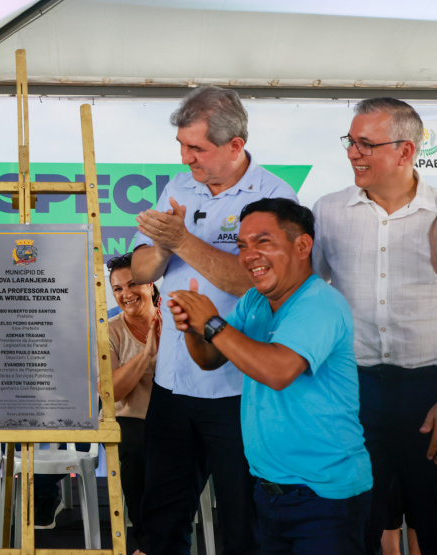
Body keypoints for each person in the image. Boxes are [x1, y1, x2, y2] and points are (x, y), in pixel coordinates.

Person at [130, 85, 297, 554]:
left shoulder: (274, 197)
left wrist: (181, 240)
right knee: (161, 519)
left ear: (235, 145)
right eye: (182, 146)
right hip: (173, 380)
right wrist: (163, 245)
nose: (186, 158)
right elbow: (140, 271)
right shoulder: (178, 187)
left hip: (239, 388)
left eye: (197, 149)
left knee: (244, 521)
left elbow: (251, 282)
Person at [168, 198, 372, 554]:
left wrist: (211, 323)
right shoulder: (254, 302)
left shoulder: (320, 303)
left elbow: (278, 371)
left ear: (302, 246)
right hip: (269, 491)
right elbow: (210, 358)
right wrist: (192, 328)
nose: (249, 255)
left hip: (324, 497)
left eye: (263, 242)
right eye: (242, 245)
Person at [312, 97, 437, 554]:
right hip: (354, 389)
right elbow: (307, 296)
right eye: (350, 141)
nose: (353, 153)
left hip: (429, 389)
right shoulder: (328, 211)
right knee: (358, 523)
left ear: (406, 151)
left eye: (366, 143)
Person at [104, 252, 160, 553]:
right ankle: (148, 543)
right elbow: (113, 392)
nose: (126, 294)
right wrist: (147, 354)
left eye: (133, 284)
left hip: (175, 417)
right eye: (118, 288)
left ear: (150, 284)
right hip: (131, 419)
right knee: (136, 449)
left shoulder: (174, 322)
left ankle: (166, 535)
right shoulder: (109, 331)